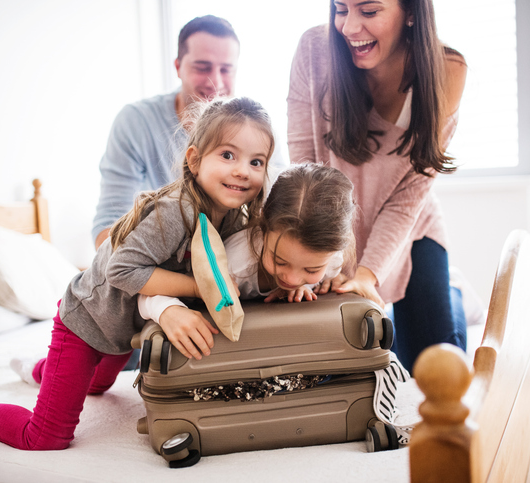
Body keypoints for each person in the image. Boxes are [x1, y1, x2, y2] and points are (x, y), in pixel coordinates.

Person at [0, 96, 275, 450]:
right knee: (46, 438)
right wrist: (200, 287)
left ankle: (39, 370)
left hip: (123, 330)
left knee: (97, 387)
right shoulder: (174, 211)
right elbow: (123, 270)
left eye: (256, 161)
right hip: (84, 323)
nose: (243, 170)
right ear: (194, 160)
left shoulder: (232, 219)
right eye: (228, 155)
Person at [286, 0, 468, 371]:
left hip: (410, 228)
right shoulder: (314, 50)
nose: (350, 27)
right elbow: (304, 166)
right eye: (341, 9)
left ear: (412, 12)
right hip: (335, 225)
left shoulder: (446, 70)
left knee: (432, 364)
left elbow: (408, 198)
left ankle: (453, 290)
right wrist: (324, 256)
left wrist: (368, 274)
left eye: (369, 12)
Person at [93, 14, 285, 250]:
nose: (215, 81)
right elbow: (108, 228)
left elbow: (280, 209)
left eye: (226, 69)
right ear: (178, 67)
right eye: (202, 67)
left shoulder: (258, 130)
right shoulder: (136, 122)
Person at [137, 163, 357, 333]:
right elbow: (147, 290)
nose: (291, 278)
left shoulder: (332, 260)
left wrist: (306, 288)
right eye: (280, 261)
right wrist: (166, 310)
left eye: (311, 270)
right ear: (263, 226)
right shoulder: (233, 263)